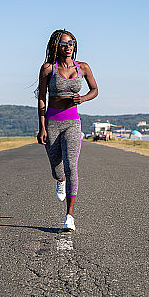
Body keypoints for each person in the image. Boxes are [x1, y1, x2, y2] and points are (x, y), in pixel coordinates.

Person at [36, 29, 98, 231]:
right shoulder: (48, 69)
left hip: (73, 123)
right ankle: (60, 180)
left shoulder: (83, 67)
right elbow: (41, 98)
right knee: (57, 170)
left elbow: (94, 90)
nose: (69, 46)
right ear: (56, 46)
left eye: (71, 42)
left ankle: (69, 216)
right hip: (52, 123)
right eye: (64, 44)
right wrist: (42, 127)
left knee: (72, 166)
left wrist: (83, 98)